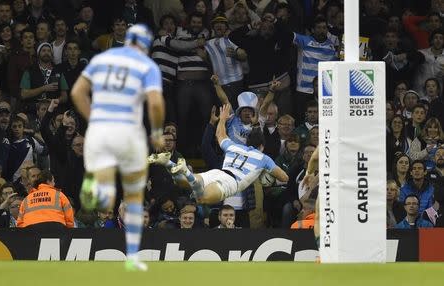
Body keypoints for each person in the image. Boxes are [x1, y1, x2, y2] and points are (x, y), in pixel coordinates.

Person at [71, 24, 165, 271]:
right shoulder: (147, 67)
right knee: (134, 196)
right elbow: (155, 104)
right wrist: (156, 132)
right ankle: (133, 257)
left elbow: (77, 92)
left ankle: (94, 181)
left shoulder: (102, 60)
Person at [150, 103, 288, 205]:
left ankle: (168, 162)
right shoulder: (264, 158)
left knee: (180, 182)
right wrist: (267, 174)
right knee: (202, 199)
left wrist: (222, 119)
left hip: (217, 172)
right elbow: (284, 177)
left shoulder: (234, 147)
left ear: (248, 142)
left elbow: (220, 135)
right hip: (230, 182)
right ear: (262, 146)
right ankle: (180, 168)